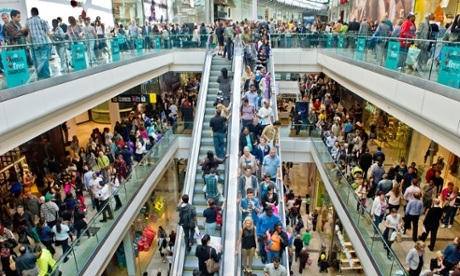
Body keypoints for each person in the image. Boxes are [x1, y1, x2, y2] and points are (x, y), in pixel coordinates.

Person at [26, 8, 52, 79]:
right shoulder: (43, 21)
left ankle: (39, 75)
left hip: (34, 44)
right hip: (43, 42)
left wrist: (29, 42)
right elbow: (48, 32)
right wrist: (53, 40)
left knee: (37, 59)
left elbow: (29, 34)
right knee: (44, 59)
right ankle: (46, 74)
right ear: (38, 13)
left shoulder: (28, 22)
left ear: (31, 13)